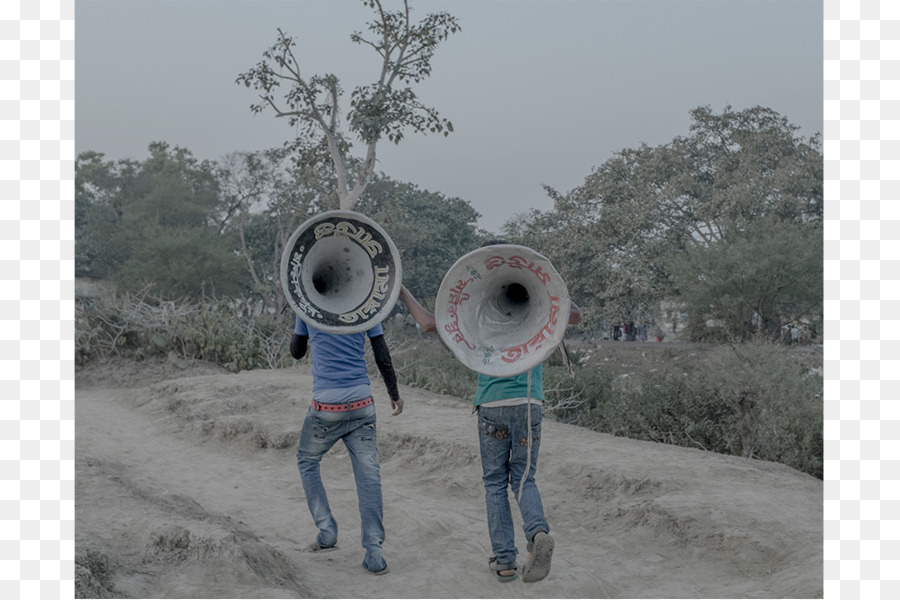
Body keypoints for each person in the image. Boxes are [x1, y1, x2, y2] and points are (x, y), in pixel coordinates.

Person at [399, 272, 581, 584]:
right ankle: (537, 532)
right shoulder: (541, 311)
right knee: (524, 478)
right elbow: (575, 314)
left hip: (492, 406)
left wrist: (401, 290)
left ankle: (506, 562)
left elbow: (429, 323)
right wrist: (550, 283)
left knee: (495, 482)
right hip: (529, 404)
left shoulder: (475, 314)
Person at [290, 315, 404, 575]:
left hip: (326, 407)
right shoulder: (365, 306)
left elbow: (296, 353)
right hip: (363, 404)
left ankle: (327, 532)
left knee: (307, 461)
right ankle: (374, 553)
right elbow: (382, 355)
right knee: (368, 476)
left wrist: (304, 326)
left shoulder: (308, 308)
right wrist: (394, 393)